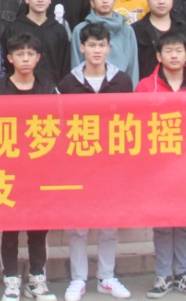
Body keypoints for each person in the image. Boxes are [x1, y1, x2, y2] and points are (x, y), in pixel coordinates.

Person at [58, 23, 132, 301]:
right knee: (78, 225)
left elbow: (130, 121)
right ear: (82, 48)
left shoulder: (122, 81)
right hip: (78, 164)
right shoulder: (68, 84)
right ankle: (78, 278)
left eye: (101, 45)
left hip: (112, 163)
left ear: (109, 48)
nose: (97, 50)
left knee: (108, 223)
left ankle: (106, 277)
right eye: (91, 45)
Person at [134, 30, 186, 299]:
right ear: (158, 56)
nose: (174, 56)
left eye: (179, 51)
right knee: (163, 221)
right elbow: (137, 124)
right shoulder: (145, 87)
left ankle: (184, 272)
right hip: (157, 166)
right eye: (168, 51)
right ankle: (163, 274)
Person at [0, 32, 58, 301]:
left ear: (38, 58)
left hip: (40, 168)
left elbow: (60, 122)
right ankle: (11, 280)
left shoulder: (48, 87)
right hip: (8, 168)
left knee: (38, 227)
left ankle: (37, 279)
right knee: (10, 227)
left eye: (30, 54)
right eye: (19, 54)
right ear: (9, 58)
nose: (25, 59)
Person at [4, 0, 71, 85]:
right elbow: (5, 63)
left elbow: (65, 65)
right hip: (19, 88)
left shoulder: (59, 30)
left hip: (53, 89)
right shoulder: (13, 29)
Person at [69, 0, 139, 84]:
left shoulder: (127, 30)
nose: (105, 0)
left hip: (121, 88)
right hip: (88, 88)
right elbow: (76, 64)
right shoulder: (80, 30)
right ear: (92, 2)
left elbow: (133, 67)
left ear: (115, 1)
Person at [132, 0, 186, 82]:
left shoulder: (185, 29)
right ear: (147, 0)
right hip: (147, 88)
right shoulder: (135, 30)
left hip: (180, 87)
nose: (161, 2)